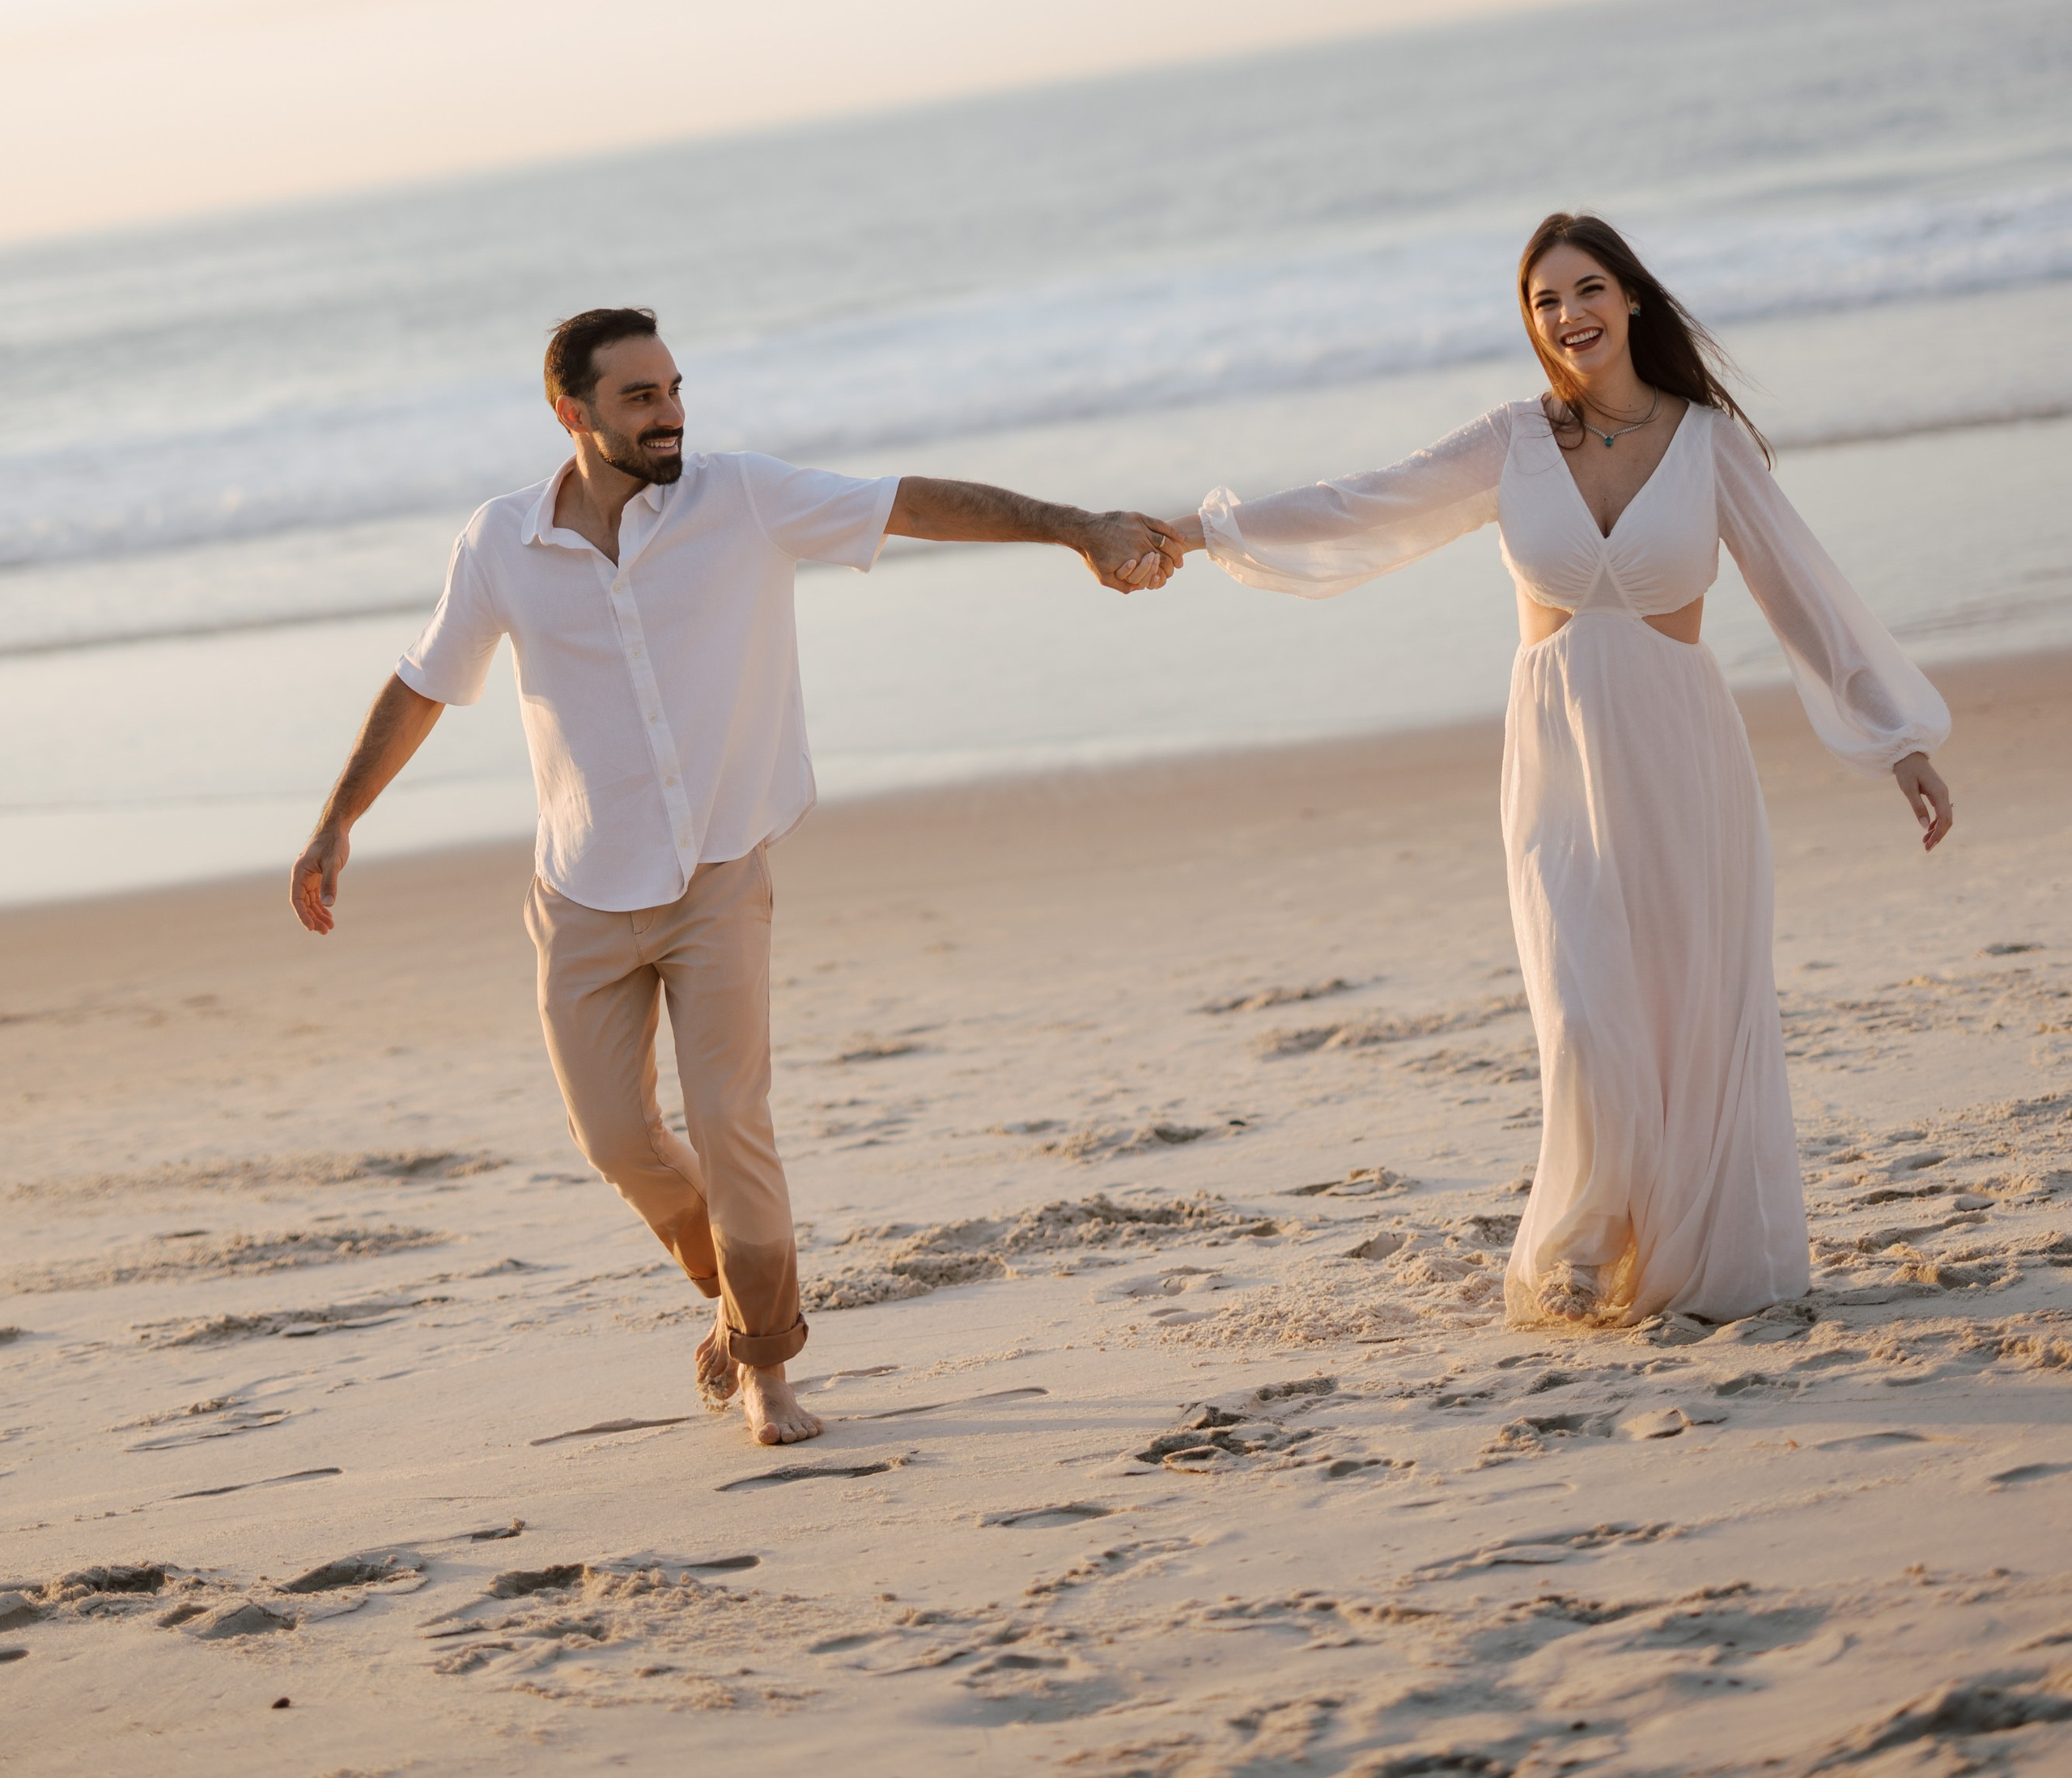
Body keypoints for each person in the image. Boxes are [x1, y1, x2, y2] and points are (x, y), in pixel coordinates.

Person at [291, 305, 1178, 1445]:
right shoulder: (502, 541)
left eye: (674, 389)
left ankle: (766, 1365)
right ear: (571, 413)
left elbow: (908, 503)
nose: (670, 415)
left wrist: (1077, 527)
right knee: (618, 1144)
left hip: (718, 874)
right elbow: (424, 681)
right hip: (581, 889)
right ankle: (736, 1293)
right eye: (640, 398)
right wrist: (338, 821)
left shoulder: (744, 496)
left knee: (731, 1125)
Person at [1159, 212, 1954, 1330]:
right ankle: (1587, 1235)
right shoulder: (1513, 440)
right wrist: (1195, 532)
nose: (1569, 315)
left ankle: (1683, 1244)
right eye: (1545, 300)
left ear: (1630, 299)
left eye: (1587, 290)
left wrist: (1899, 742)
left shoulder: (1708, 442)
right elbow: (1361, 503)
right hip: (1557, 754)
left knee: (1690, 1008)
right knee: (1584, 1008)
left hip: (1682, 755)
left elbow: (1803, 593)